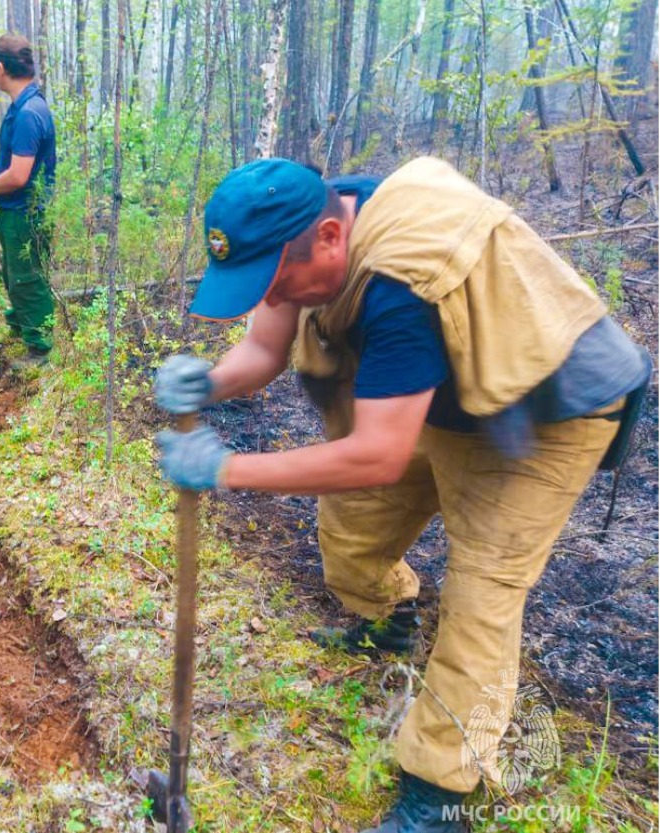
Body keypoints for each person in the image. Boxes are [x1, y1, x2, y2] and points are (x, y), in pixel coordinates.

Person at [154, 157, 651, 832]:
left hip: (545, 402)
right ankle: (390, 616)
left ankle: (442, 790)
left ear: (331, 238)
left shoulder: (399, 284)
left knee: (483, 592)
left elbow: (376, 455)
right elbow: (266, 348)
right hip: (447, 388)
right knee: (354, 530)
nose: (268, 300)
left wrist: (225, 468)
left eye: (274, 284)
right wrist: (205, 384)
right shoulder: (311, 226)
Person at [0, 34, 57, 367]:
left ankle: (40, 350)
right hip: (17, 212)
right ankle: (23, 327)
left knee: (27, 278)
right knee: (16, 275)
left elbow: (19, 175)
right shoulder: (23, 107)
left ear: (1, 67)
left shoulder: (29, 113)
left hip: (26, 214)